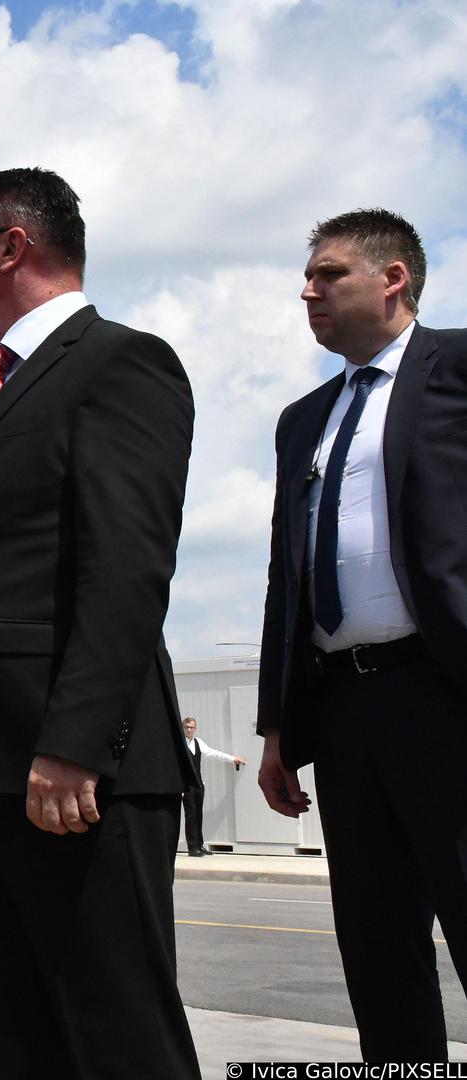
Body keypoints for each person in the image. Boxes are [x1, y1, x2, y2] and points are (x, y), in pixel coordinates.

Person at [0, 169, 199, 1079]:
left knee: (115, 1037)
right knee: (18, 1036)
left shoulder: (119, 362)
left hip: (69, 771)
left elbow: (125, 567)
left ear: (9, 247)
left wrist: (74, 744)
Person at [256, 208, 467, 1061]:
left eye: (328, 274)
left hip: (445, 696)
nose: (307, 291)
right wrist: (277, 726)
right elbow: (285, 576)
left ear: (393, 278)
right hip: (344, 709)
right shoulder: (301, 418)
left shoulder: (456, 366)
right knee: (378, 952)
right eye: (306, 276)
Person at [179, 717, 244, 857]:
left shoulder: (198, 742)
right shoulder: (179, 743)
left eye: (191, 727)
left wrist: (232, 759)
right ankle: (192, 848)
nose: (189, 730)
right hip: (186, 786)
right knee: (190, 816)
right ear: (183, 727)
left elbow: (213, 753)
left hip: (198, 785)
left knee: (198, 815)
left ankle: (199, 845)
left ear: (195, 728)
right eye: (186, 727)